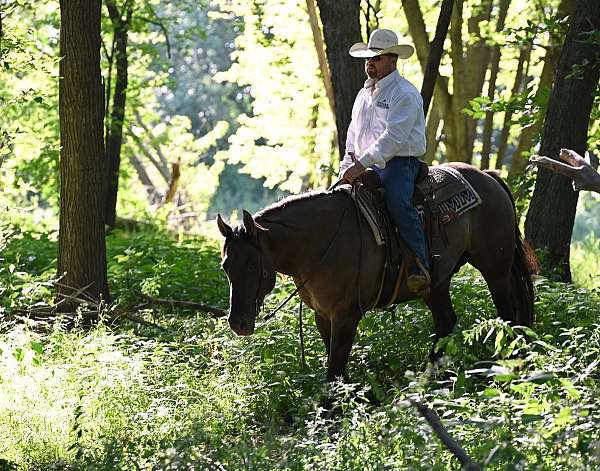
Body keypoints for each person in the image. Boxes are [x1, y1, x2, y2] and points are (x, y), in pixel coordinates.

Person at [340, 28, 430, 293]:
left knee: (398, 204)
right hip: (365, 162)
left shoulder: (405, 93)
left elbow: (394, 138)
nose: (370, 62)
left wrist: (362, 163)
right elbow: (352, 133)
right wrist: (349, 163)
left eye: (377, 58)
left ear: (393, 60)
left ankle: (419, 264)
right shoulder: (363, 95)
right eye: (369, 58)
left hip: (399, 163)